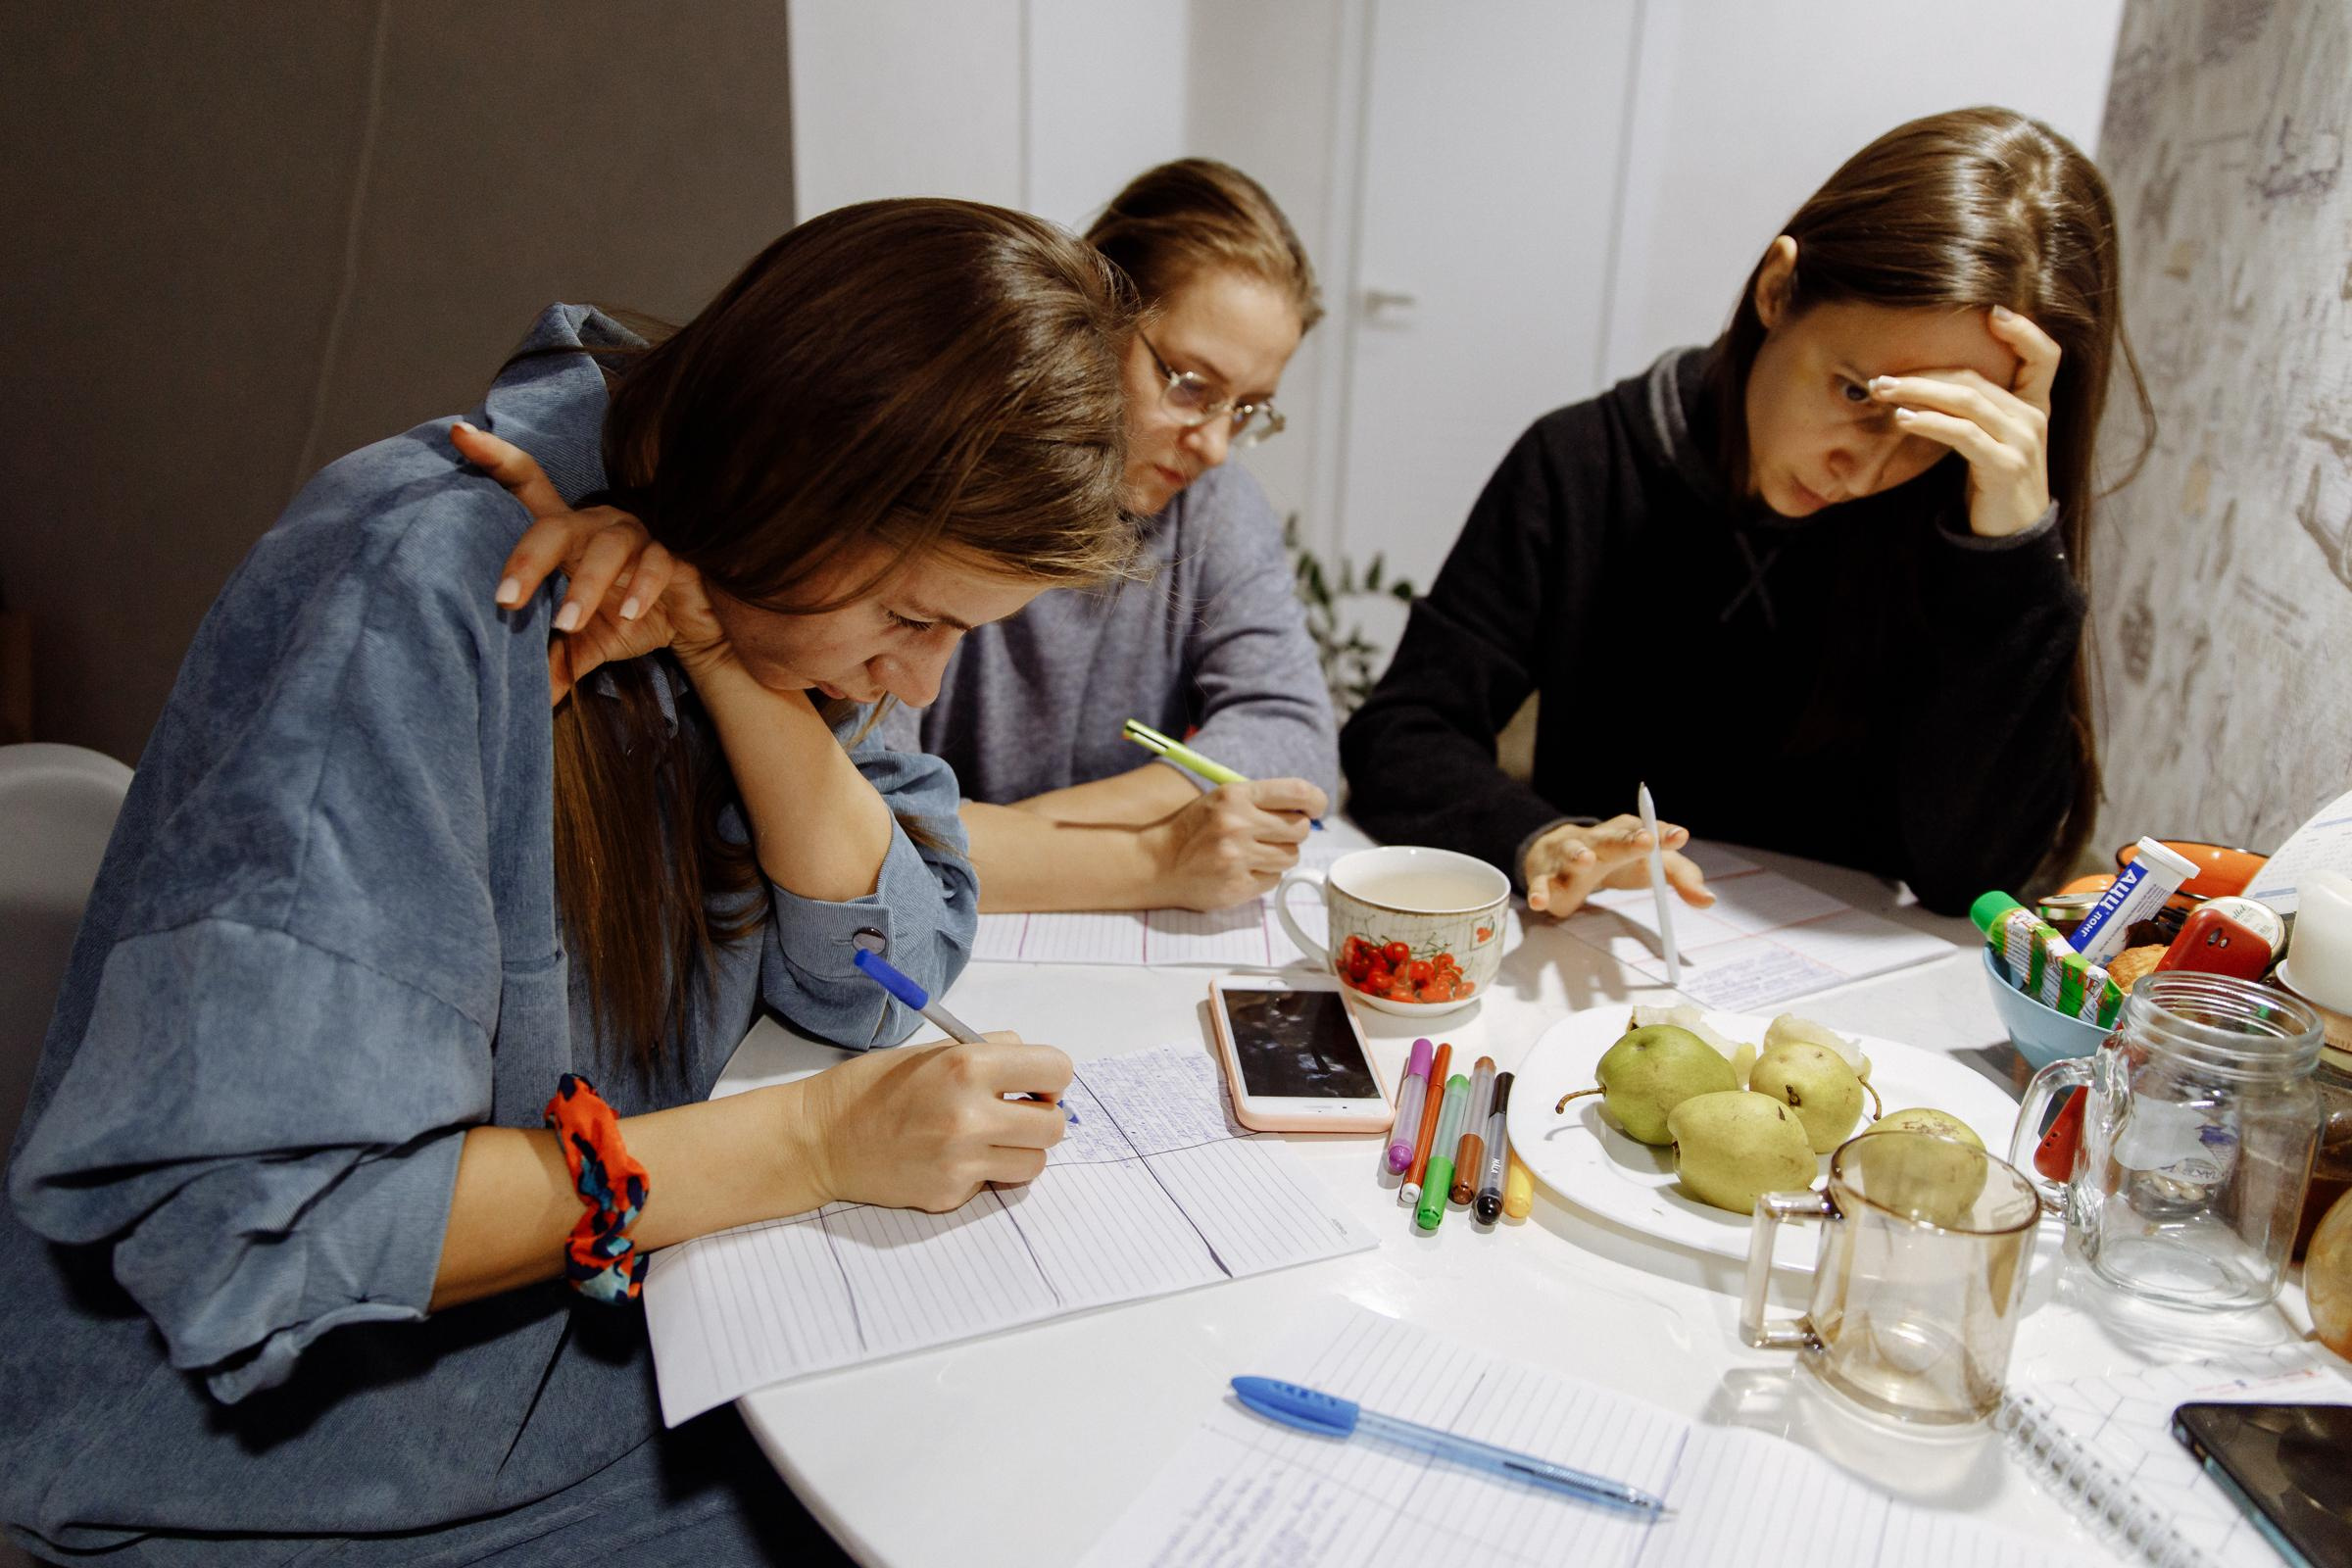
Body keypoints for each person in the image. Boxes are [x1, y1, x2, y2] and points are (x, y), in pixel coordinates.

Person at [1, 199, 1137, 1564]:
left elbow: (883, 960)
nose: (920, 681)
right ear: (788, 479)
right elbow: (259, 1242)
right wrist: (812, 1146)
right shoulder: (422, 596)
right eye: (912, 620)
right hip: (286, 1466)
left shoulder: (751, 593)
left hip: (582, 1360)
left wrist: (726, 661)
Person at [1342, 107, 2146, 919]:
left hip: (1848, 989)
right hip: (1606, 955)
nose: (1865, 470)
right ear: (1776, 291)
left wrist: (2011, 553)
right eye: (1856, 391)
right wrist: (1542, 840)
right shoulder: (1585, 461)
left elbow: (1971, 881)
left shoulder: (1965, 527)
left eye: (1930, 431)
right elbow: (1403, 733)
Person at [502, 160, 1338, 915]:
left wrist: (1019, 831)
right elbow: (876, 825)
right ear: (1099, 319)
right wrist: (1151, 852)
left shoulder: (1211, 504)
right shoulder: (936, 484)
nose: (1216, 441)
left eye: (1249, 408)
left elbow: (1291, 738)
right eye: (1191, 384)